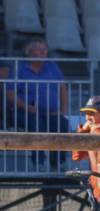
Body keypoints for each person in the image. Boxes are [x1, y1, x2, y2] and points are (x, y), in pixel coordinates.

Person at [11, 38, 69, 169]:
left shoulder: (52, 66)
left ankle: (58, 163)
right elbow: (10, 93)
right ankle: (39, 163)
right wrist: (26, 107)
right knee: (37, 124)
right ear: (29, 52)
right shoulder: (19, 69)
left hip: (51, 112)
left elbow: (63, 88)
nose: (43, 52)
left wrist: (63, 111)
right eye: (39, 49)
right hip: (25, 111)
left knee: (62, 124)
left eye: (45, 49)